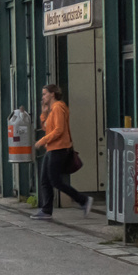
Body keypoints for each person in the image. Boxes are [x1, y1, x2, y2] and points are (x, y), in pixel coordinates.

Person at [32, 82, 90, 220]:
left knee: (55, 181)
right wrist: (44, 112)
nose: (43, 97)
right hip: (52, 148)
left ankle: (83, 200)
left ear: (52, 94)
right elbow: (46, 127)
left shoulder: (58, 107)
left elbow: (59, 130)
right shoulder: (52, 109)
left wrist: (42, 141)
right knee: (45, 180)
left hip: (58, 148)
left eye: (45, 94)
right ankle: (46, 210)